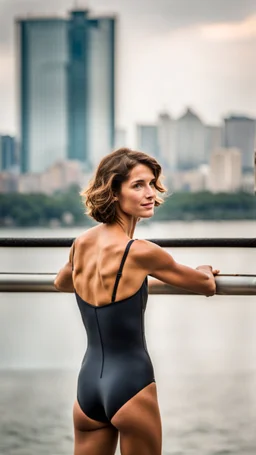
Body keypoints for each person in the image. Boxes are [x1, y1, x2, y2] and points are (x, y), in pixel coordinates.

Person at [54, 148, 219, 455]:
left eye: (152, 184)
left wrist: (133, 280)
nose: (151, 194)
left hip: (88, 388)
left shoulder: (81, 243)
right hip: (132, 385)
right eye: (138, 185)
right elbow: (205, 285)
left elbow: (61, 282)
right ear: (114, 192)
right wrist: (205, 269)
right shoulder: (141, 251)